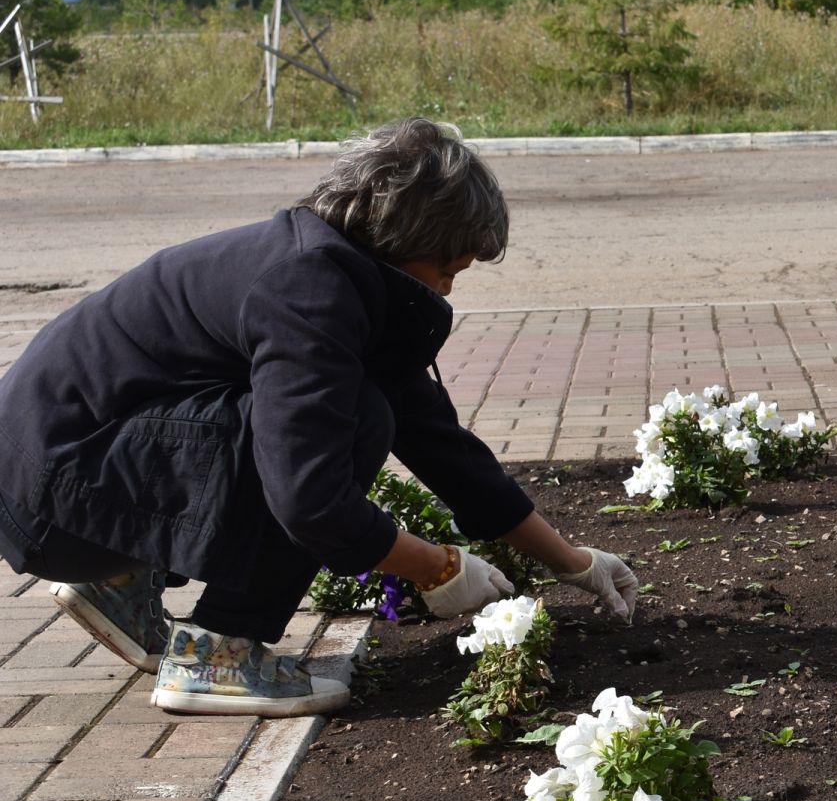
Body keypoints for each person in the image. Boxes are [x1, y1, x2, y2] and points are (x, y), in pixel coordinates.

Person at [0, 119, 640, 718]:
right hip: (57, 497)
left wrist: (570, 560)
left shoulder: (337, 270)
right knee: (350, 423)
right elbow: (309, 500)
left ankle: (118, 583)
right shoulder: (308, 289)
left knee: (358, 410)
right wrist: (436, 568)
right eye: (448, 269)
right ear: (410, 239)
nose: (447, 289)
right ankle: (219, 654)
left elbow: (439, 440)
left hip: (60, 472)